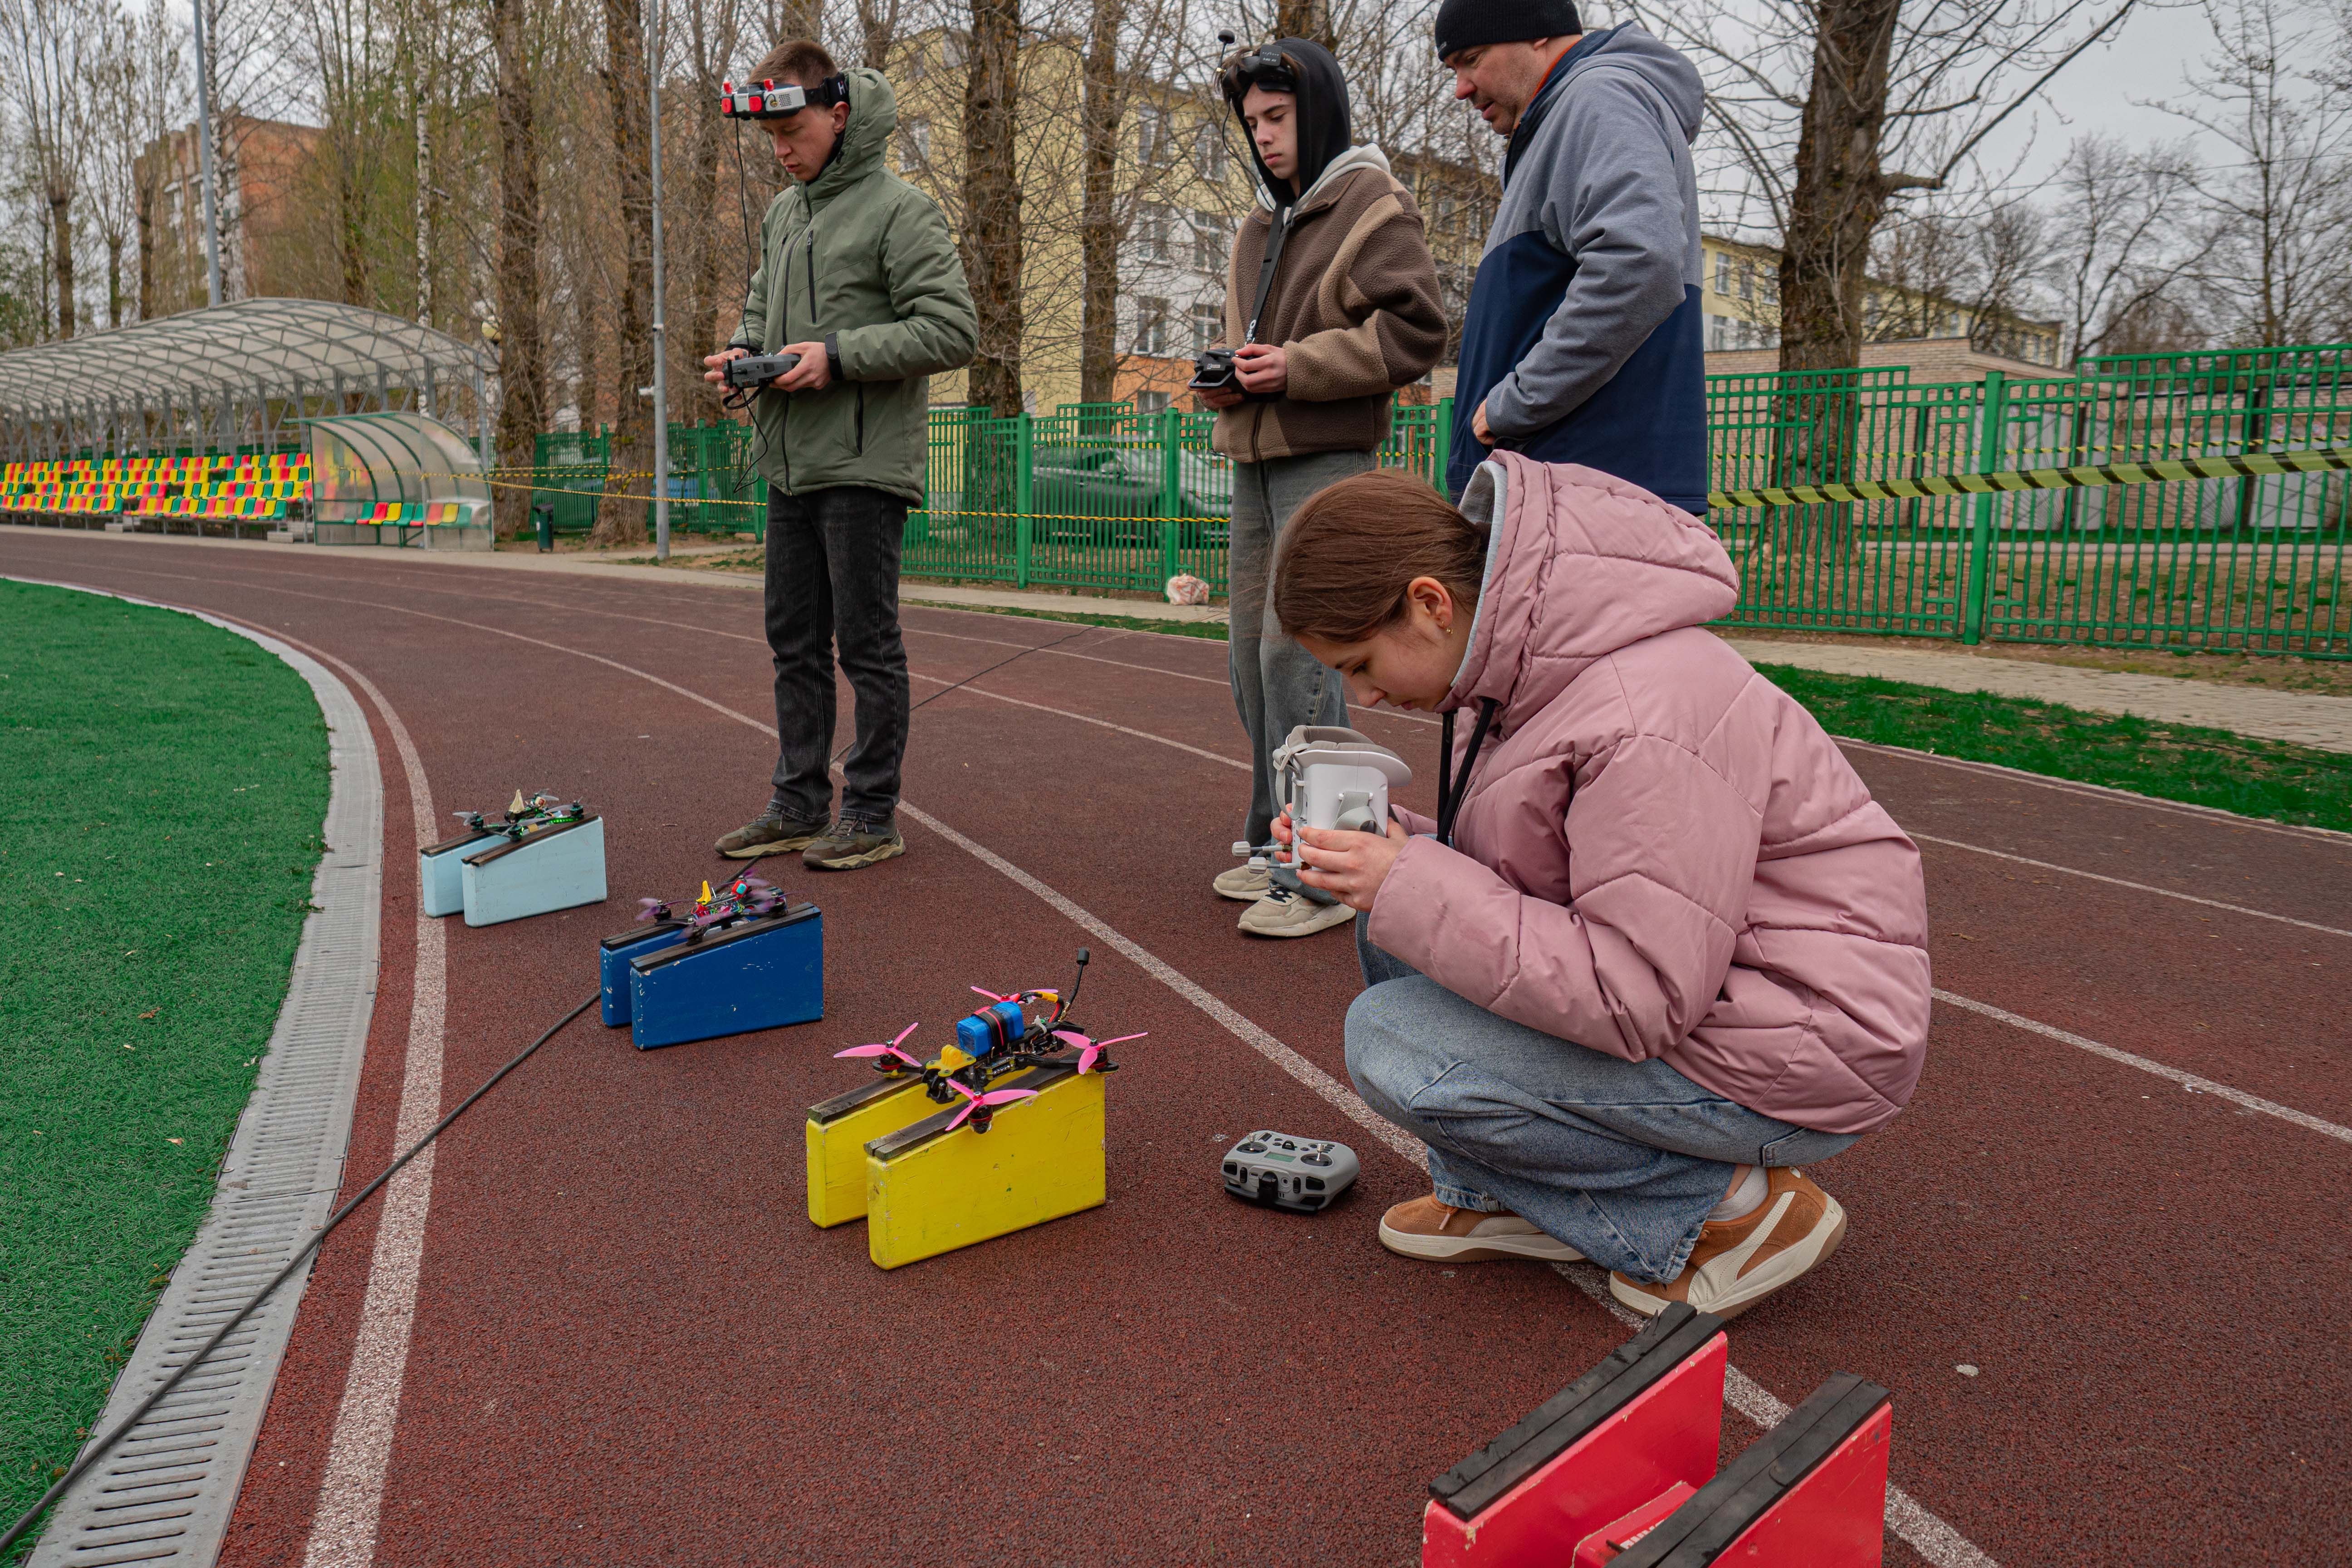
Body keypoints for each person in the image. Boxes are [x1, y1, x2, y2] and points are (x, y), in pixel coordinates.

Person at [1266, 456, 1931, 1319]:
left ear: (1429, 604)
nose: (1362, 694)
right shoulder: (1523, 672)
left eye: (1359, 663)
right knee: (1388, 915)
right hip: (1723, 995)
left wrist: (1413, 881)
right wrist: (1394, 855)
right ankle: (1503, 1192)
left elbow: (1637, 995)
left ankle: (1730, 1212)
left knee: (1391, 1040)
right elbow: (1548, 869)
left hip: (1793, 1043)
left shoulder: (1645, 713)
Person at [705, 41, 976, 872]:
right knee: (792, 643)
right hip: (788, 461)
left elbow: (952, 330)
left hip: (863, 465)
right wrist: (742, 350)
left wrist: (838, 356)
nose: (781, 152)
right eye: (770, 138)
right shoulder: (784, 214)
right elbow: (761, 303)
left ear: (840, 114)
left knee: (866, 646)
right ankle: (797, 802)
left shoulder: (902, 210)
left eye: (792, 132)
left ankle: (870, 812)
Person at [1202, 37, 1448, 939]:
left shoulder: (1369, 202)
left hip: (1325, 457)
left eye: (1278, 117)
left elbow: (1417, 330)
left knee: (1302, 659)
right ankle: (1275, 842)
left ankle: (1325, 869)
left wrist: (1294, 368)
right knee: (1249, 660)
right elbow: (1259, 343)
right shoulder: (1259, 224)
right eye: (1252, 121)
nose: (1263, 136)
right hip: (1254, 458)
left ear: (1321, 112)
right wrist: (1229, 376)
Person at [1434, 0, 1710, 513]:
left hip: (1581, 499)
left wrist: (1517, 403)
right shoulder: (1564, 118)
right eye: (1454, 69)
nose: (1461, 89)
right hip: (1569, 495)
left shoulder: (1597, 97)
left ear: (1539, 32)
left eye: (1472, 59)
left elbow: (1640, 259)